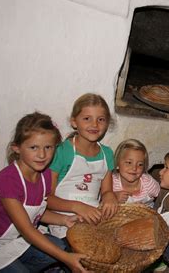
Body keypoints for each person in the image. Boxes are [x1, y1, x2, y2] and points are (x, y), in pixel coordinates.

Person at [0, 112, 89, 272]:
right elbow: (27, 229)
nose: (42, 155)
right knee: (59, 252)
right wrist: (66, 258)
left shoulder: (45, 175)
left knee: (59, 245)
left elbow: (35, 212)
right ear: (17, 148)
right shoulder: (8, 181)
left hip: (17, 239)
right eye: (34, 147)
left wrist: (64, 220)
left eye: (48, 147)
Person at [47, 93, 118, 238]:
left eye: (101, 119)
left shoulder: (107, 154)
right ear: (74, 122)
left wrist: (109, 197)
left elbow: (106, 191)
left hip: (92, 221)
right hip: (63, 223)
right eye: (87, 119)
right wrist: (78, 207)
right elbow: (47, 198)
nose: (94, 125)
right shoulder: (62, 151)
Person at [112, 139, 160, 207]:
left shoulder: (148, 182)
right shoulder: (111, 182)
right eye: (129, 163)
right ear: (117, 164)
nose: (134, 168)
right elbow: (102, 200)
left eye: (140, 164)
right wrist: (113, 197)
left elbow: (162, 197)